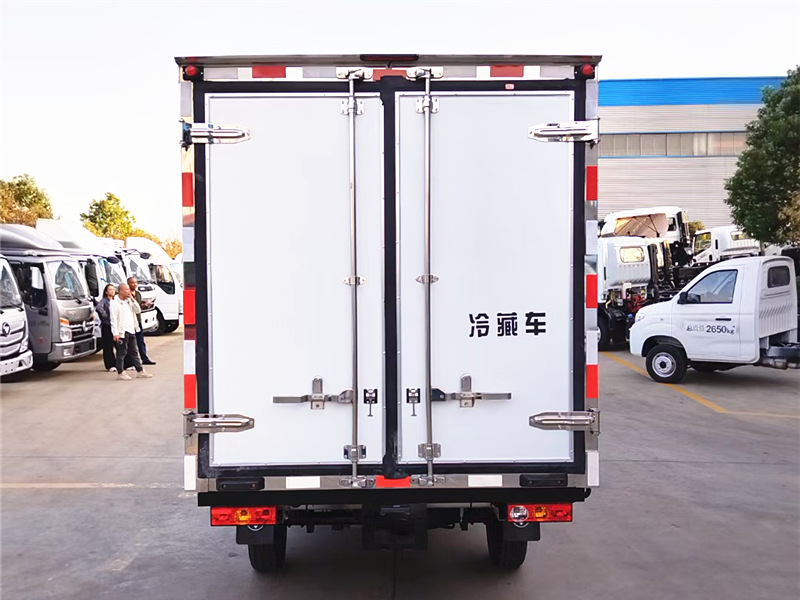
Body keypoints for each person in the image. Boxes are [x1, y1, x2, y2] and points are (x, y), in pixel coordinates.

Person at [110, 283, 153, 381]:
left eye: (128, 289)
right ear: (120, 291)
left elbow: (138, 311)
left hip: (131, 329)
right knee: (122, 352)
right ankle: (121, 372)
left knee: (134, 351)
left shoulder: (129, 301)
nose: (128, 291)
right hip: (122, 331)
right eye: (126, 290)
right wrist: (115, 333)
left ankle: (140, 371)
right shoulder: (114, 303)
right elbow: (113, 319)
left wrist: (133, 300)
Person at [127, 276, 155, 365]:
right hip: (129, 321)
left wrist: (145, 305)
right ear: (128, 284)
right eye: (132, 283)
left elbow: (138, 307)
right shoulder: (126, 295)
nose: (135, 284)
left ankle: (144, 358)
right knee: (130, 342)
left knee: (140, 340)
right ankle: (130, 361)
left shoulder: (138, 294)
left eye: (136, 282)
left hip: (138, 320)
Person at [95, 284, 117, 372]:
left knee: (119, 345)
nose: (112, 291)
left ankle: (121, 363)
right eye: (110, 289)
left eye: (113, 289)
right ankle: (110, 365)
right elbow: (98, 307)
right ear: (106, 292)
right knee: (108, 346)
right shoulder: (104, 301)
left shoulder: (116, 300)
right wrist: (106, 316)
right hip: (107, 325)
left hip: (115, 325)